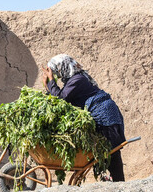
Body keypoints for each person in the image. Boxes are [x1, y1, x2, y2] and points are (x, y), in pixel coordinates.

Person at [42, 54, 126, 182]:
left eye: (55, 71)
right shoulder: (71, 81)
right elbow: (60, 100)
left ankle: (119, 181)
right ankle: (113, 179)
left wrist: (51, 81)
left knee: (111, 149)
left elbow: (61, 98)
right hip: (100, 113)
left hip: (104, 114)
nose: (56, 75)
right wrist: (48, 85)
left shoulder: (77, 80)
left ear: (62, 67)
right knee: (103, 148)